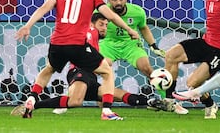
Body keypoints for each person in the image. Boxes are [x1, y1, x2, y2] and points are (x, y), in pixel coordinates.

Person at [15, 0, 140, 120]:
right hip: (77, 44)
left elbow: (43, 8)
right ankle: (107, 111)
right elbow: (111, 16)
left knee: (48, 69)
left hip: (57, 43)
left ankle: (32, 98)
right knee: (107, 71)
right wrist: (129, 30)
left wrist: (27, 26)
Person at [12, 13, 165, 116]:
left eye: (106, 25)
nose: (104, 27)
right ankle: (106, 112)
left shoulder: (95, 37)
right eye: (101, 24)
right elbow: (86, 43)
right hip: (79, 71)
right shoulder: (90, 31)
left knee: (115, 94)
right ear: (92, 24)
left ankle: (151, 101)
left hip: (90, 76)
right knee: (78, 100)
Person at [97, 0, 169, 106]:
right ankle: (100, 103)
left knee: (147, 69)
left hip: (130, 44)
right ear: (109, 0)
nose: (118, 2)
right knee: (98, 69)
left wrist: (153, 45)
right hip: (108, 44)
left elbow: (144, 28)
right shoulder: (101, 12)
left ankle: (168, 100)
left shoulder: (137, 12)